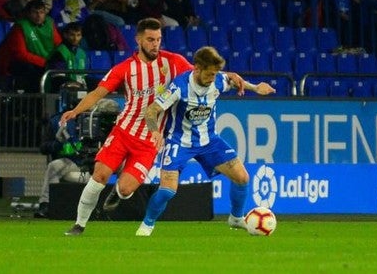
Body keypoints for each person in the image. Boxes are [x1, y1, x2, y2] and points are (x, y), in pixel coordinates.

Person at [60, 18, 245, 236]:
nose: (155, 44)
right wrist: (76, 111)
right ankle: (79, 225)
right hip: (124, 132)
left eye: (158, 39)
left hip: (149, 141)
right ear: (138, 40)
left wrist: (229, 76)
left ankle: (118, 191)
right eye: (150, 40)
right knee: (99, 176)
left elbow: (200, 74)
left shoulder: (172, 62)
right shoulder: (125, 69)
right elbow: (97, 93)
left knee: (126, 189)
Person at [135, 46, 275, 236]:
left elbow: (233, 81)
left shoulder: (217, 80)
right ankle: (147, 225)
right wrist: (154, 131)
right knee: (168, 191)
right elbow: (151, 110)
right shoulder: (179, 86)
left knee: (242, 178)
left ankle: (235, 218)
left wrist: (255, 87)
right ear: (197, 69)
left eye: (215, 74)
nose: (212, 79)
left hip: (209, 141)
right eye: (209, 74)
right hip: (180, 142)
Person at [35, 81, 91, 218]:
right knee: (54, 166)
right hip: (69, 165)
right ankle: (46, 204)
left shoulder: (92, 118)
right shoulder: (56, 120)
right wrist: (57, 143)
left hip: (91, 166)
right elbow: (43, 148)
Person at [0, 0, 62, 92]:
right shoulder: (20, 27)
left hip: (41, 62)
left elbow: (59, 45)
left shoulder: (49, 24)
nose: (39, 16)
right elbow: (20, 55)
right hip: (15, 63)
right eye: (35, 12)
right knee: (33, 71)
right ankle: (35, 101)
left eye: (42, 12)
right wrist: (45, 63)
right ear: (28, 14)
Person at [45, 22, 86, 92]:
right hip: (58, 92)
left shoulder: (82, 53)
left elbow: (84, 76)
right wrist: (77, 85)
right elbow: (57, 77)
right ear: (65, 35)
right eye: (72, 35)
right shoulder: (59, 52)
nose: (75, 38)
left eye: (78, 35)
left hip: (77, 91)